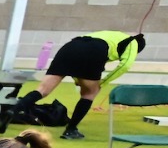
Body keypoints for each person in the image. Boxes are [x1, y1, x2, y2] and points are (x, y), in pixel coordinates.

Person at [11, 31, 148, 141]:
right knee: (90, 93)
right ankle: (71, 130)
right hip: (93, 52)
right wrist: (102, 83)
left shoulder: (115, 36)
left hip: (70, 46)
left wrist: (78, 78)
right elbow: (124, 66)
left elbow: (83, 61)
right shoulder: (133, 44)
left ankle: (13, 111)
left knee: (43, 89)